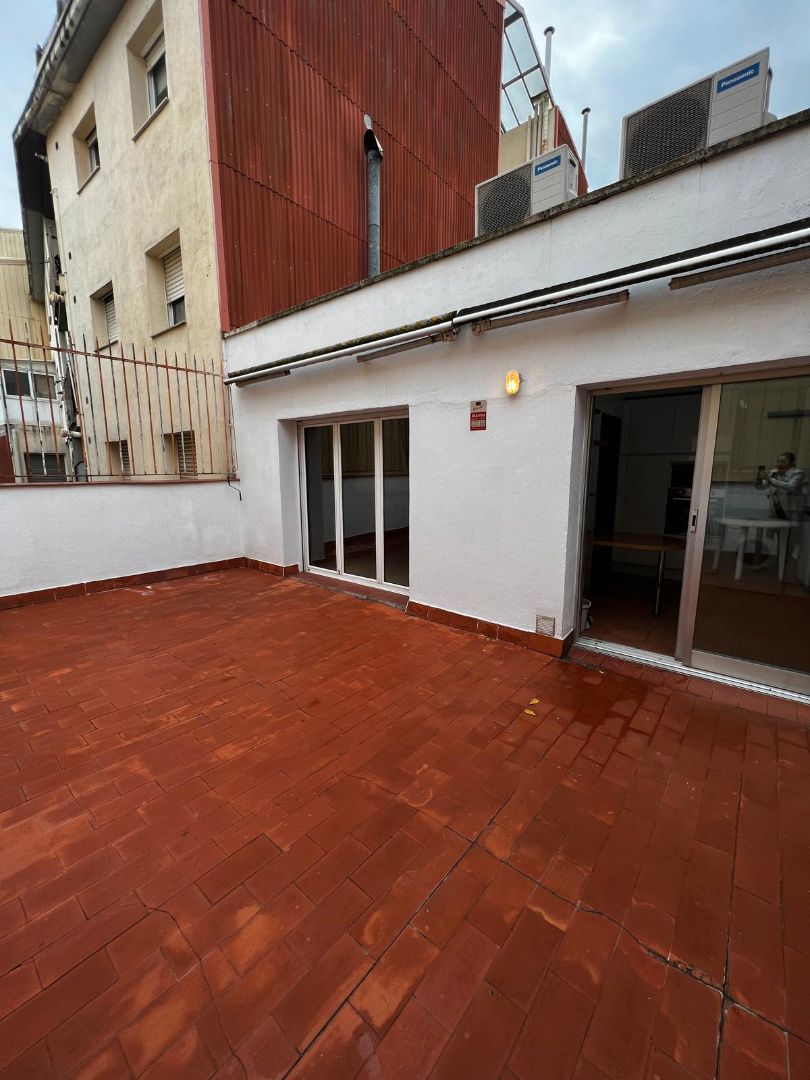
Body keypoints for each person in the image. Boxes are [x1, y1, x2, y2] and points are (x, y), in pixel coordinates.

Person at [764, 452, 806, 521]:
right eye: (778, 461)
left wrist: (770, 480)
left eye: (783, 461)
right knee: (771, 529)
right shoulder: (774, 472)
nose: (779, 463)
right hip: (774, 507)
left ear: (791, 463)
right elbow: (764, 485)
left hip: (790, 509)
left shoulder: (798, 473)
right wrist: (761, 479)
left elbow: (790, 486)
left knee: (787, 530)